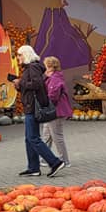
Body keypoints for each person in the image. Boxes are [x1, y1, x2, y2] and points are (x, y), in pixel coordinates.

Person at [13, 45, 64, 177]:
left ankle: (54, 162)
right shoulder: (30, 68)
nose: (18, 57)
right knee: (28, 139)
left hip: (33, 108)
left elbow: (37, 84)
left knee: (33, 138)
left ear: (26, 55)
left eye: (19, 55)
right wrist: (19, 86)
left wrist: (21, 83)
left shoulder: (32, 67)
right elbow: (31, 87)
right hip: (30, 106)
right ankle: (33, 167)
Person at [40, 56, 73, 167]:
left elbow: (53, 95)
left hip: (55, 112)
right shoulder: (53, 77)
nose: (44, 68)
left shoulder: (55, 78)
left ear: (50, 67)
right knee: (46, 135)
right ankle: (44, 158)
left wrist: (44, 104)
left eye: (45, 66)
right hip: (52, 111)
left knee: (56, 136)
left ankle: (64, 160)